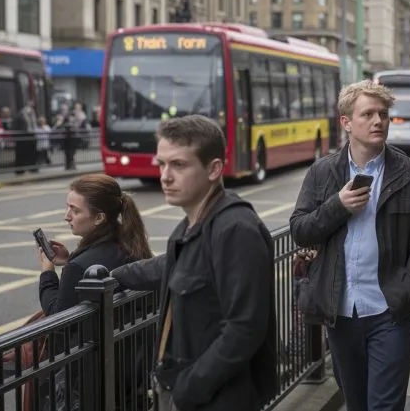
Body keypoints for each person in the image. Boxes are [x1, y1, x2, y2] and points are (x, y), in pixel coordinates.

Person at [290, 80, 410, 411]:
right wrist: (337, 206)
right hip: (341, 313)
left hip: (388, 311)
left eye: (383, 114)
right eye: (368, 114)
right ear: (346, 122)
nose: (378, 121)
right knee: (356, 403)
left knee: (384, 406)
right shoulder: (323, 173)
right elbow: (300, 230)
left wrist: (405, 287)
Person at [111, 115, 276, 411]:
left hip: (215, 399)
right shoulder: (192, 223)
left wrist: (189, 390)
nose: (165, 176)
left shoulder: (235, 229)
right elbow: (170, 266)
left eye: (179, 165)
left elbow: (245, 328)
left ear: (213, 169)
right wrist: (114, 276)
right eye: (161, 164)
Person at [38, 173, 152, 315]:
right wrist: (70, 260)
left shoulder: (78, 267)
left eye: (75, 210)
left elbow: (57, 315)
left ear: (99, 217)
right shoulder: (129, 243)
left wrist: (48, 272)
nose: (66, 217)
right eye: (67, 207)